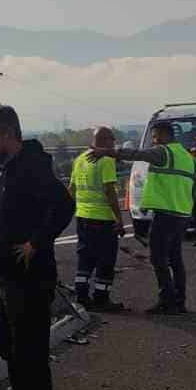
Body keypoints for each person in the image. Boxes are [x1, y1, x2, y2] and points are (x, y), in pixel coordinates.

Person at [0, 106, 76, 390]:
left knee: (30, 359)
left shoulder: (31, 167)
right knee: (13, 356)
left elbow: (65, 205)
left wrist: (38, 242)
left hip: (29, 282)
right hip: (4, 278)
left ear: (7, 134)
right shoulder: (5, 169)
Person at [92, 122, 196, 314]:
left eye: (156, 137)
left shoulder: (163, 152)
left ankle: (167, 302)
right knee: (175, 258)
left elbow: (137, 155)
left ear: (165, 135)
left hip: (165, 214)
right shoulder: (188, 157)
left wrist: (106, 152)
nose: (154, 141)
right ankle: (179, 301)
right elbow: (194, 187)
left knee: (158, 258)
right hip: (182, 214)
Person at [69, 126, 128, 311]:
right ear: (105, 140)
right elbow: (109, 191)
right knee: (106, 260)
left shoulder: (79, 159)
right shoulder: (106, 159)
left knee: (85, 258)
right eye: (112, 140)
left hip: (83, 217)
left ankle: (81, 295)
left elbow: (71, 189)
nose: (114, 144)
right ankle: (101, 299)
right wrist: (119, 219)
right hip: (102, 219)